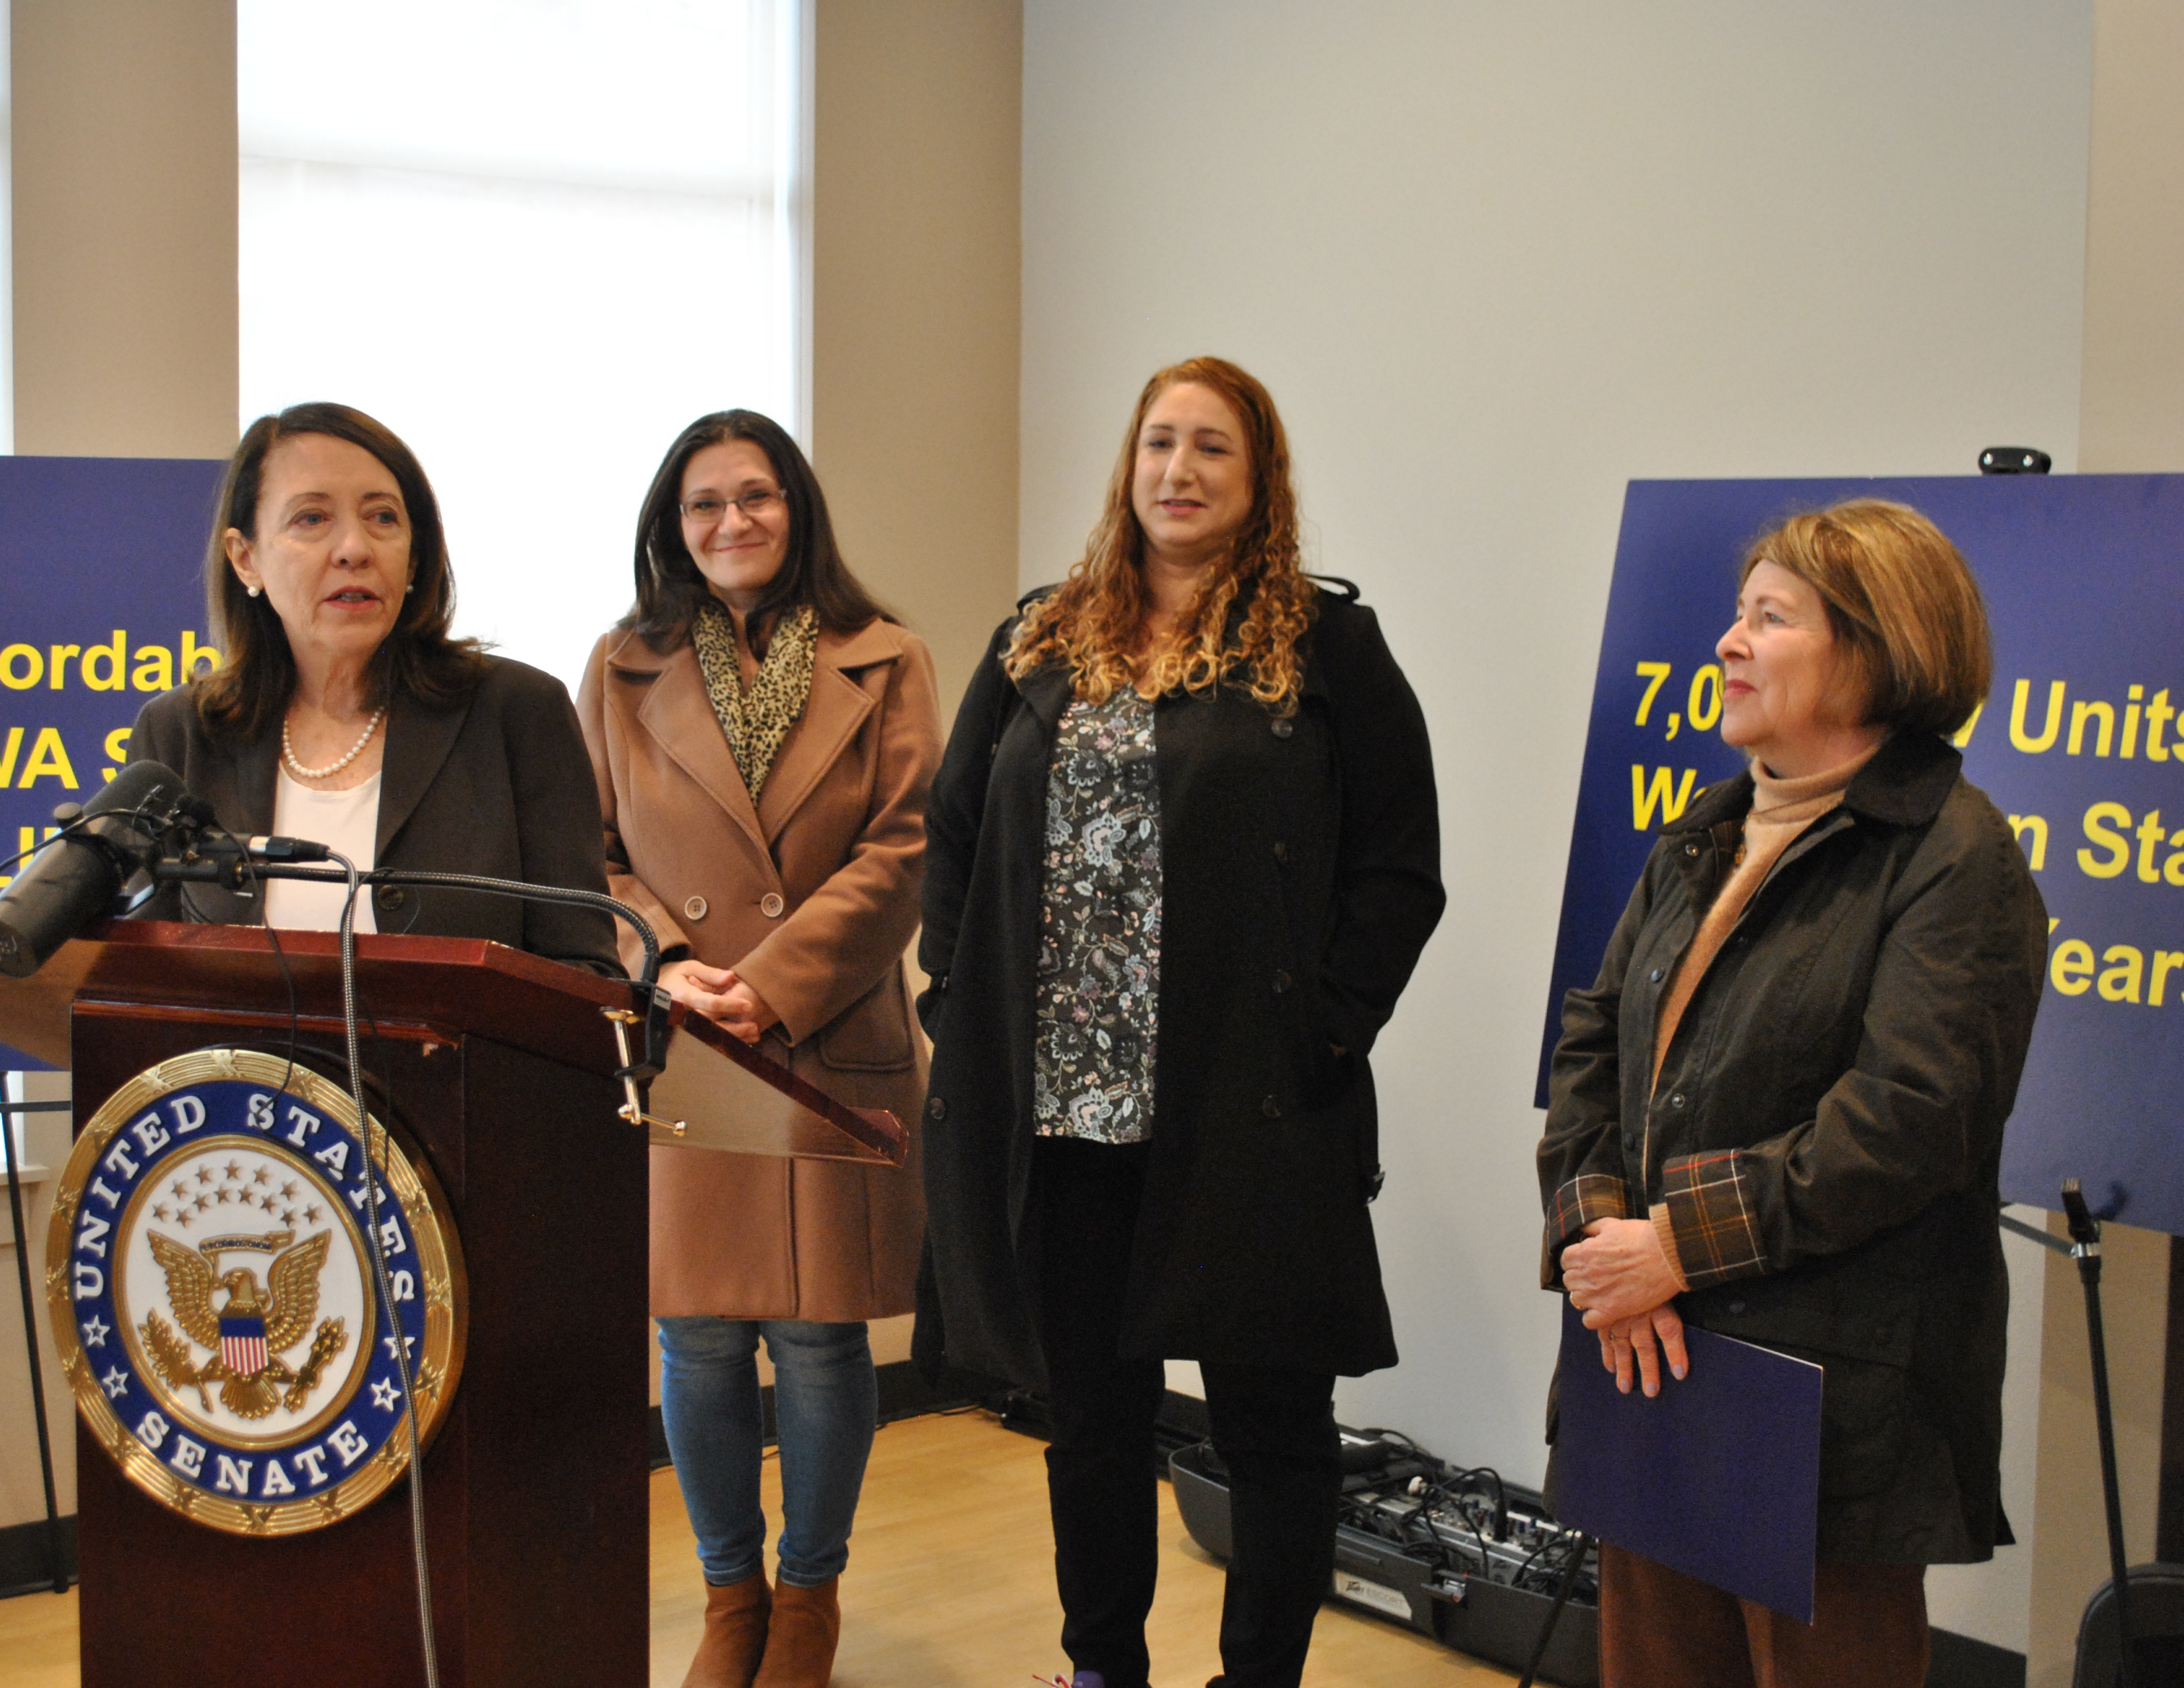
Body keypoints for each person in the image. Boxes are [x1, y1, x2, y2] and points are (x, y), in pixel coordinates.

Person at [916, 356, 1444, 1688]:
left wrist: (1325, 1031)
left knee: (1271, 1420)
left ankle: (1255, 1678)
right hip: (1068, 1105)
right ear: (1127, 465)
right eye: (1159, 443)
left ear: (1258, 482)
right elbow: (956, 830)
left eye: (1213, 448)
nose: (1179, 472)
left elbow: (1398, 866)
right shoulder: (1038, 636)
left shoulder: (1329, 649)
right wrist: (950, 993)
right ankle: (1102, 1667)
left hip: (1246, 1106)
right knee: (1091, 1416)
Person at [1539, 499, 2048, 1687]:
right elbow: (1588, 1046)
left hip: (1828, 1404)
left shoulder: (1955, 857)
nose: (1726, 641)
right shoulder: (1702, 834)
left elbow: (1907, 1121)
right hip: (1648, 1356)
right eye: (1737, 613)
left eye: (1768, 619)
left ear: (1875, 652)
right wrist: (1603, 1245)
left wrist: (1672, 1243)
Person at [576, 410, 941, 1688]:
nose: (731, 523)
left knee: (822, 1339)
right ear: (672, 528)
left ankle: (808, 1602)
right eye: (703, 504)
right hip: (684, 1037)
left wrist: (771, 984)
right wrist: (665, 966)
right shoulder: (619, 666)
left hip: (828, 1030)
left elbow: (904, 849)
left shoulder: (885, 658)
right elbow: (589, 855)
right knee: (700, 1336)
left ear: (797, 509)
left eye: (756, 497)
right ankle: (730, 1599)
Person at [128, 400, 617, 974]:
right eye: (311, 519)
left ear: (413, 558)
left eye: (383, 518)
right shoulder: (181, 734)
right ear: (246, 559)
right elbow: (136, 976)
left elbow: (586, 972)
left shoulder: (517, 713)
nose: (355, 549)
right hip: (239, 1069)